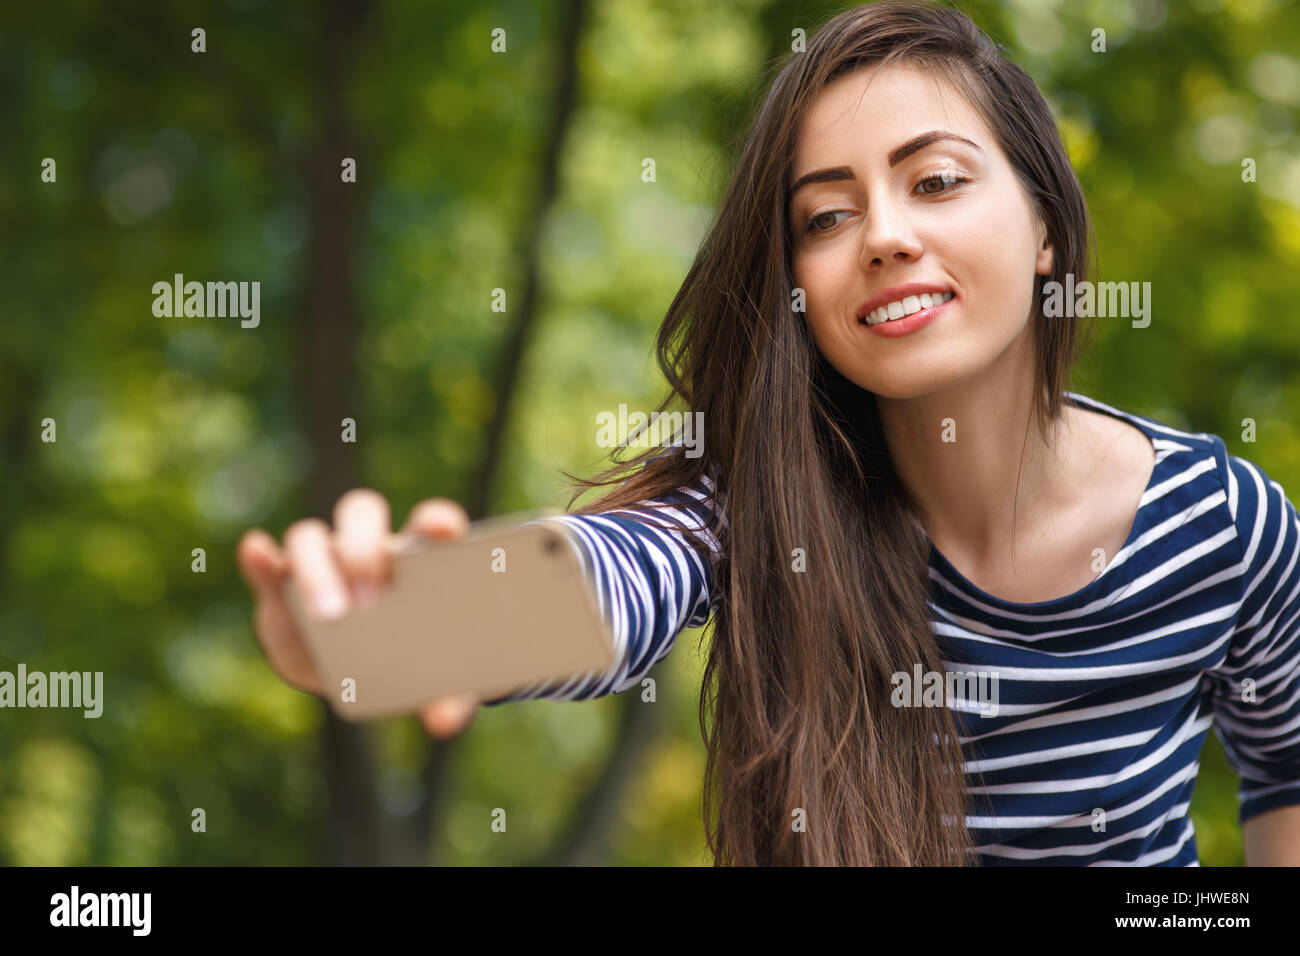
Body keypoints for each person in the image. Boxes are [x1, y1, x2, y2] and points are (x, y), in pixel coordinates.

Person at [237, 1, 1300, 866]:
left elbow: (1287, 763)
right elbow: (611, 582)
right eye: (824, 217)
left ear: (1046, 235)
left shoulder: (1221, 522)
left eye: (934, 181)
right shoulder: (762, 514)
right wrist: (397, 620)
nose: (883, 234)